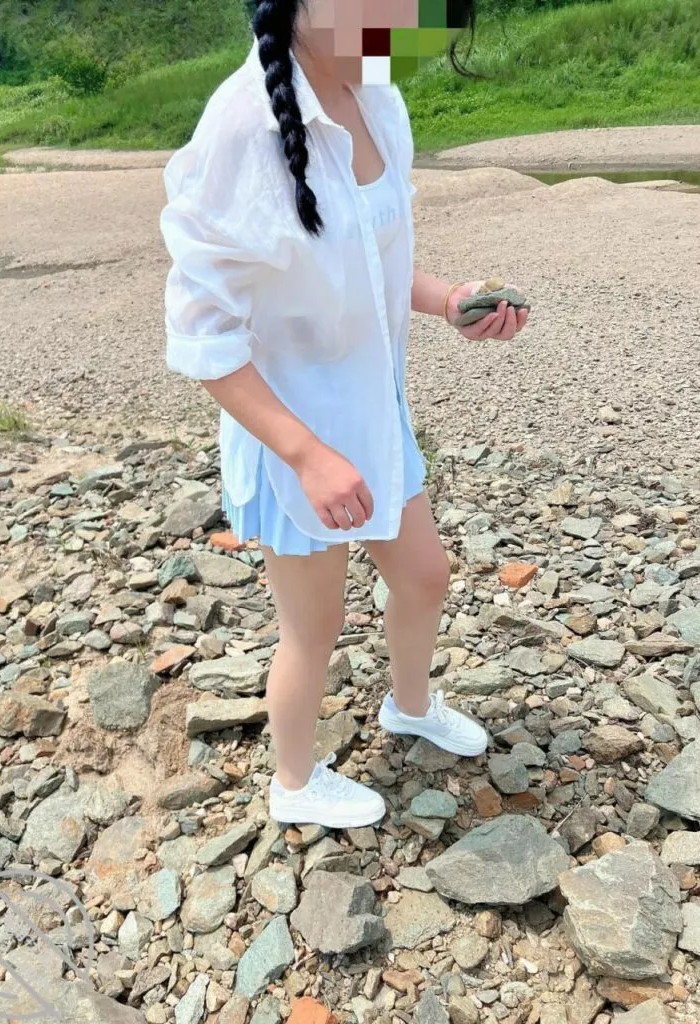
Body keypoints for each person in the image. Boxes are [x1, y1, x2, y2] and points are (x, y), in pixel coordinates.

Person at [160, 0, 529, 830]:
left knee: (425, 576)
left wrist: (451, 300)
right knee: (313, 625)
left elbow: (374, 261)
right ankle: (293, 782)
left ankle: (410, 705)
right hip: (291, 436)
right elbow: (204, 339)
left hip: (374, 410)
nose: (405, 22)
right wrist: (306, 455)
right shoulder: (243, 128)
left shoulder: (377, 95)